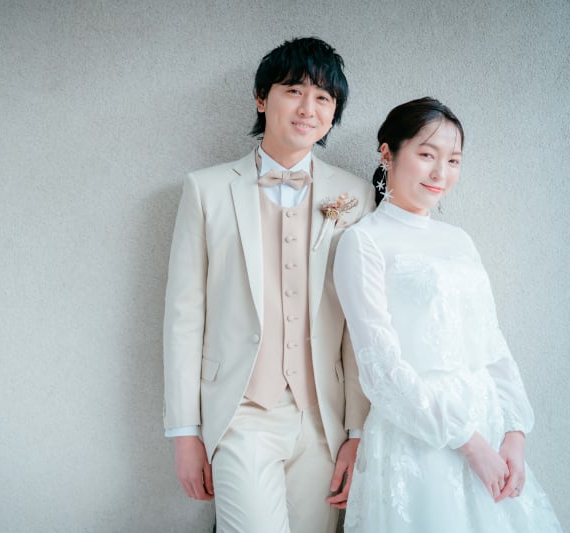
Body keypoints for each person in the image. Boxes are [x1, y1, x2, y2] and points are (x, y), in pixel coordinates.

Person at [163, 37, 375, 532]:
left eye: (323, 97)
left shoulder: (356, 195)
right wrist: (184, 432)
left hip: (323, 416)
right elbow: (184, 316)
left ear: (334, 113)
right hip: (241, 413)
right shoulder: (206, 189)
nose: (308, 108)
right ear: (262, 99)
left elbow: (360, 325)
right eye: (294, 91)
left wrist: (357, 431)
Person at [333, 97, 562, 532]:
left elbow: (491, 342)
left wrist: (514, 431)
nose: (441, 173)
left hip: (487, 424)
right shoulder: (363, 242)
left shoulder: (459, 240)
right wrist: (468, 443)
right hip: (419, 435)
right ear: (387, 154)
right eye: (426, 155)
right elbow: (381, 368)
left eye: (453, 160)